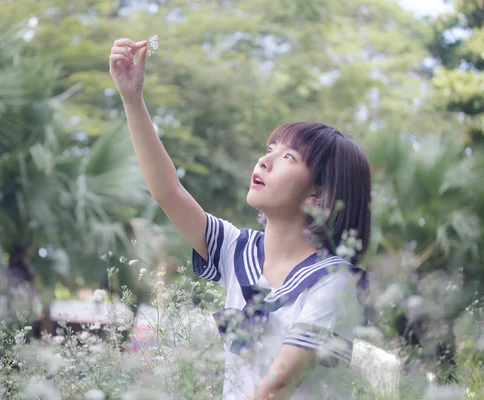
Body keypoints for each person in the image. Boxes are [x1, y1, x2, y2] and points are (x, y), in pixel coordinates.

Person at [109, 38, 371, 400]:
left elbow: (277, 386)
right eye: (269, 150)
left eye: (289, 158)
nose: (264, 162)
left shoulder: (334, 280)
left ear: (318, 195)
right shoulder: (238, 250)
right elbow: (168, 192)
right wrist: (132, 100)